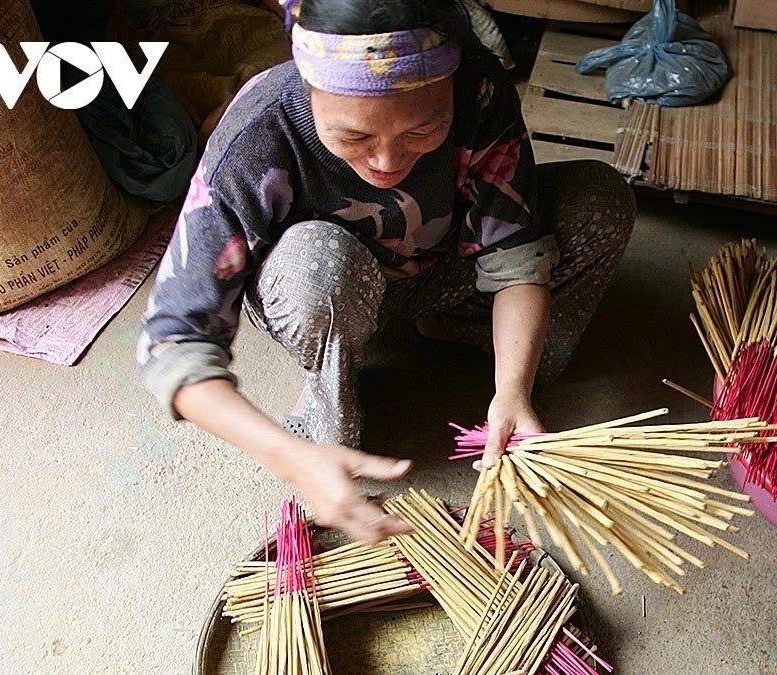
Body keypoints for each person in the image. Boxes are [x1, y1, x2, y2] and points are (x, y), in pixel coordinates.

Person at [136, 0, 636, 544]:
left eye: (423, 130)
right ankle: (329, 375)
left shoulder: (478, 87)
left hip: (440, 264)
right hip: (326, 287)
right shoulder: (260, 132)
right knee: (319, 266)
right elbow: (173, 344)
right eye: (353, 137)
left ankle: (453, 330)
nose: (387, 162)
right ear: (309, 87)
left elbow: (516, 251)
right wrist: (290, 456)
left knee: (599, 200)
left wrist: (512, 389)